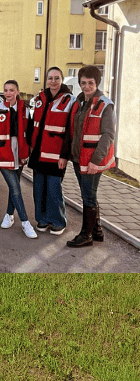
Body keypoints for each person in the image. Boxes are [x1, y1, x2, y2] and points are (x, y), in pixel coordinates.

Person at [66, 65, 115, 248]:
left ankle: (86, 235)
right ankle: (97, 230)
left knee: (88, 196)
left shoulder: (104, 104)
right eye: (83, 83)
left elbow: (108, 135)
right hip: (79, 158)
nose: (86, 86)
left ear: (97, 83)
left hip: (91, 160)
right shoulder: (80, 103)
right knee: (89, 195)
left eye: (90, 83)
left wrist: (95, 161)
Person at [0, 80, 37, 239]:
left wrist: (28, 150)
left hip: (19, 152)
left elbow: (29, 131)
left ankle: (9, 215)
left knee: (14, 186)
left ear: (17, 92)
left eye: (11, 90)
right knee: (15, 187)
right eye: (5, 90)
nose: (8, 93)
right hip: (3, 151)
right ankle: (25, 222)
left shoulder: (25, 110)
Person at [29, 67, 73, 235]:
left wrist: (64, 155)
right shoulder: (40, 98)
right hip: (39, 153)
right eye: (50, 78)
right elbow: (33, 124)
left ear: (62, 80)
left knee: (54, 190)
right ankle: (42, 220)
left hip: (56, 155)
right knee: (39, 189)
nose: (53, 81)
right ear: (46, 80)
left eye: (56, 78)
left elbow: (70, 132)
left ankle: (58, 221)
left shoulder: (70, 100)